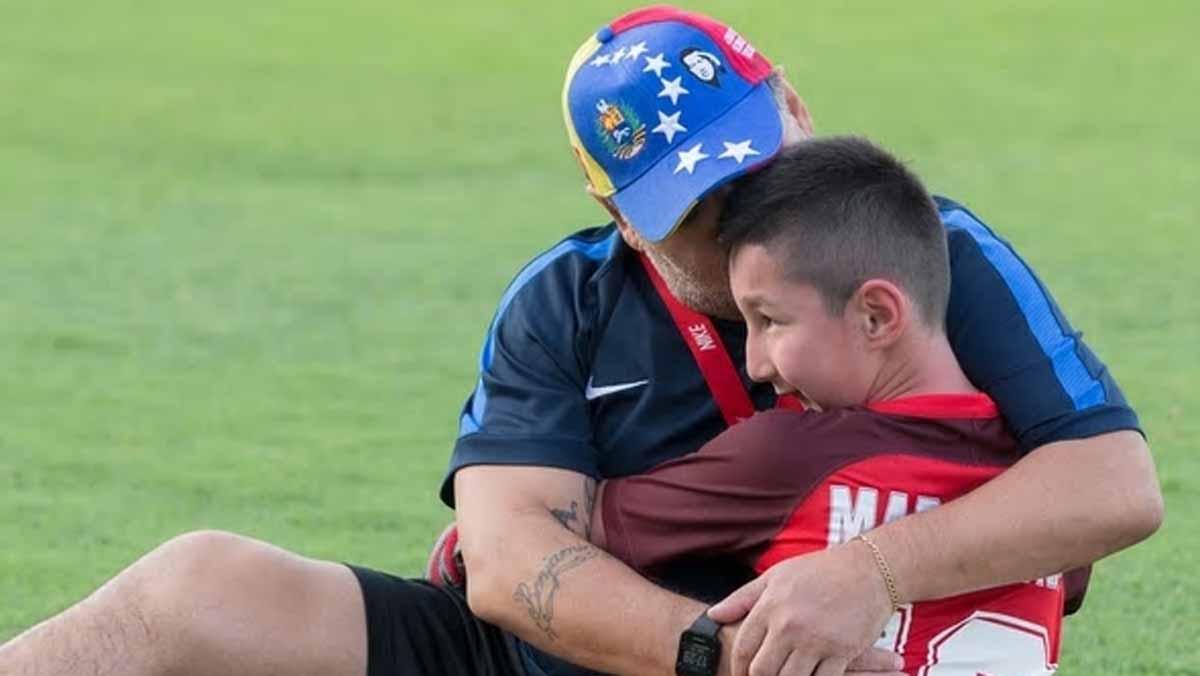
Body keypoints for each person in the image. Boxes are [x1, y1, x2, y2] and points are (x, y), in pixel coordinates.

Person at [0, 6, 1161, 676]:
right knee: (193, 585)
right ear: (626, 220)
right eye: (704, 216)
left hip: (860, 644)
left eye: (759, 167)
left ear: (797, 107)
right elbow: (504, 565)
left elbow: (1113, 482)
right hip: (605, 662)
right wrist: (727, 658)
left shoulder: (919, 249)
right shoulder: (566, 296)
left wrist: (868, 575)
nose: (752, 215)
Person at [590, 136, 1082, 675]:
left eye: (769, 320)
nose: (755, 363)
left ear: (875, 316)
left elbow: (583, 528)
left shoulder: (788, 454)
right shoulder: (1043, 475)